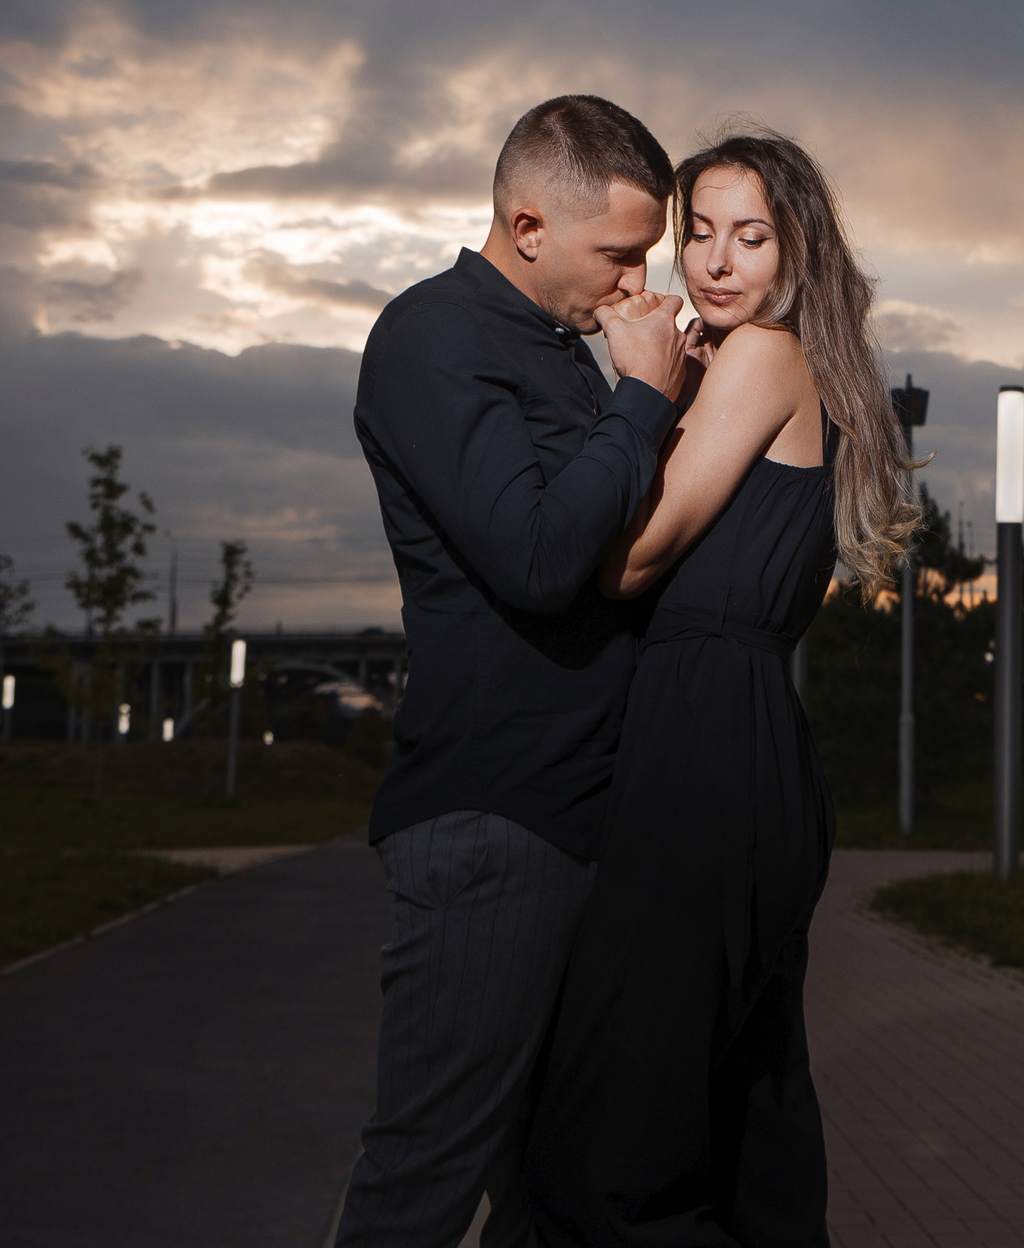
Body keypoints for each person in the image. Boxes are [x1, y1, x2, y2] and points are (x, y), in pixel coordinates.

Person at [524, 130, 918, 1246]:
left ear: (797, 252)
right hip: (739, 740)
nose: (715, 260)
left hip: (705, 746)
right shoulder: (766, 367)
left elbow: (626, 557)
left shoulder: (763, 359)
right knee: (746, 1115)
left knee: (620, 1125)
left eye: (750, 236)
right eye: (697, 231)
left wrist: (639, 390)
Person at [337, 96, 690, 1248]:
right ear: (529, 224)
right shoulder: (432, 336)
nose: (638, 281)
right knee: (423, 1181)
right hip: (494, 817)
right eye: (621, 254)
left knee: (548, 1188)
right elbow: (539, 558)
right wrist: (641, 399)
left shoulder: (557, 354)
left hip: (577, 813)